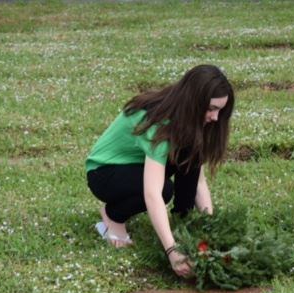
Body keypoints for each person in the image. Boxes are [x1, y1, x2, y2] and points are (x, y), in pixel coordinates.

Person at [85, 64, 234, 276]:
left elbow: (198, 182)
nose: (215, 117)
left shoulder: (187, 120)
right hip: (104, 172)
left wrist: (209, 229)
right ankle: (112, 216)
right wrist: (172, 252)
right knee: (164, 190)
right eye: (211, 109)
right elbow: (153, 193)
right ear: (193, 101)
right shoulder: (160, 122)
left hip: (136, 166)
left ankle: (184, 221)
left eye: (220, 110)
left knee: (190, 153)